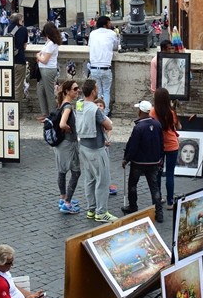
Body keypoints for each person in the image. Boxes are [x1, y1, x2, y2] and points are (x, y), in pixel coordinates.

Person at [75, 79, 116, 223]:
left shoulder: (79, 104)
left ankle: (91, 210)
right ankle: (101, 212)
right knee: (103, 180)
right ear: (93, 91)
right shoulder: (95, 110)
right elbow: (109, 126)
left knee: (90, 179)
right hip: (96, 149)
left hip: (84, 147)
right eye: (96, 88)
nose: (98, 90)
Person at [122, 100, 164, 223]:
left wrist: (126, 159)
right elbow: (161, 144)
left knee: (133, 184)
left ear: (140, 111)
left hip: (139, 162)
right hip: (154, 162)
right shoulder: (157, 125)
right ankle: (159, 212)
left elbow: (133, 146)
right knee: (154, 187)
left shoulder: (138, 127)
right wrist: (160, 159)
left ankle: (133, 206)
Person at [54, 79, 81, 214]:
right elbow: (62, 124)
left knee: (62, 171)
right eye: (75, 89)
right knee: (76, 172)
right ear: (67, 91)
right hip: (69, 143)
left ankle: (63, 198)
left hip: (61, 144)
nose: (78, 91)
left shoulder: (62, 103)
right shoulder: (68, 106)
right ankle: (67, 203)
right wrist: (68, 128)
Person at [151, 87, 179, 210]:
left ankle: (158, 198)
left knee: (157, 173)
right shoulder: (171, 112)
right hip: (172, 144)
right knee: (170, 174)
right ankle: (170, 201)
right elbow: (178, 126)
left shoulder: (152, 112)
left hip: (159, 145)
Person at [88, 15, 119, 114]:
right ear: (105, 24)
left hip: (94, 67)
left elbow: (89, 45)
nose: (111, 24)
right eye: (109, 23)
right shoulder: (112, 33)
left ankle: (97, 111)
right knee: (106, 91)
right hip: (105, 67)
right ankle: (105, 112)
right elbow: (115, 47)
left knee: (98, 91)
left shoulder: (92, 33)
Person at [35, 21, 62, 122]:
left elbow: (45, 60)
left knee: (49, 93)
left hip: (48, 70)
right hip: (44, 70)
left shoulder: (51, 44)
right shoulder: (49, 42)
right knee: (40, 91)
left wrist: (38, 56)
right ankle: (45, 113)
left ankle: (52, 115)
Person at [7, 13, 29, 102]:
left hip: (7, 62)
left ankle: (6, 107)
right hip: (19, 60)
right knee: (17, 87)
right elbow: (24, 46)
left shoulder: (6, 29)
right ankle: (14, 111)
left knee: (7, 85)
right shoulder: (23, 29)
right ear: (19, 20)